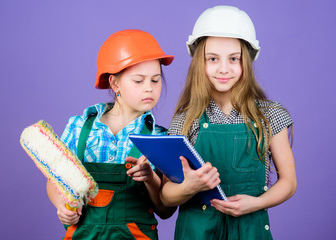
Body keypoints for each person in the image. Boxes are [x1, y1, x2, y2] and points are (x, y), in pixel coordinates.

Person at [160, 5, 297, 239]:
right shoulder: (185, 119)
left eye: (234, 59)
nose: (224, 69)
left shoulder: (269, 115)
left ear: (247, 61)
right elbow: (166, 196)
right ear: (199, 64)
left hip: (249, 229)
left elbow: (289, 182)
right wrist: (188, 187)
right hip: (196, 231)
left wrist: (256, 203)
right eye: (213, 59)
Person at [46, 29, 176, 240]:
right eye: (139, 80)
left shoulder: (160, 137)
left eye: (155, 80)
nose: (149, 88)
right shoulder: (79, 127)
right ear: (115, 84)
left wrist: (150, 178)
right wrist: (62, 205)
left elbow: (164, 210)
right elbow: (55, 180)